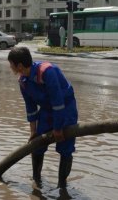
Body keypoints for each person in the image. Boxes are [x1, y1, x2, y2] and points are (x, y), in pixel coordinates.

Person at [7, 46, 78, 189]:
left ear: (19, 65)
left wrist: (58, 129)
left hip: (65, 109)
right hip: (47, 111)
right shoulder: (23, 81)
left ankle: (62, 186)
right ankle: (36, 181)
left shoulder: (47, 72)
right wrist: (33, 131)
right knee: (37, 145)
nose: (10, 67)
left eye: (11, 64)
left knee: (65, 147)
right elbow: (31, 108)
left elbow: (58, 103)